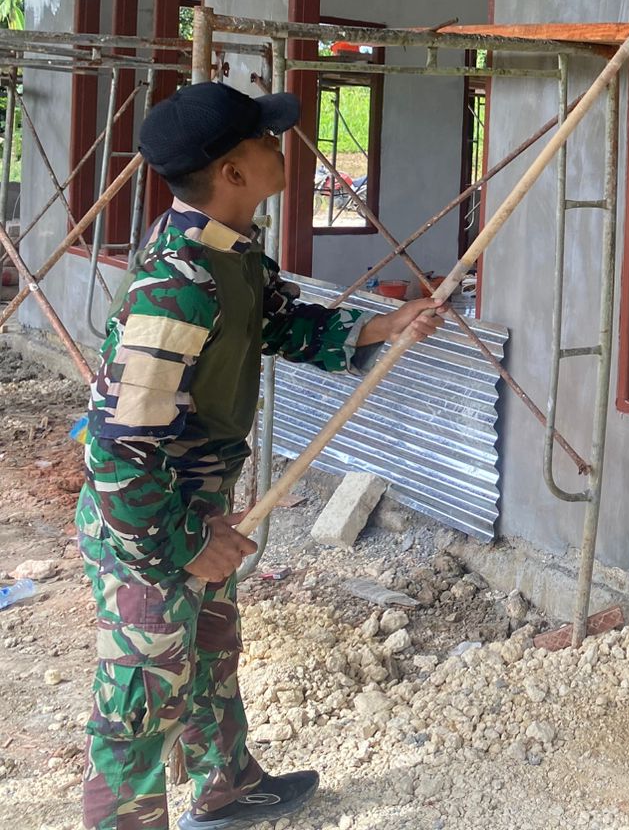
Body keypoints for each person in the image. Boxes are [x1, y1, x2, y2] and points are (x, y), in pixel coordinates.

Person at [75, 82, 443, 830]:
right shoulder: (173, 290)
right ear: (233, 174)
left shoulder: (232, 257)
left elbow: (278, 323)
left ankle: (227, 786)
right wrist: (182, 543)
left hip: (196, 509)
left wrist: (385, 327)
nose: (283, 148)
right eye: (266, 140)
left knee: (212, 654)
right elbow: (117, 452)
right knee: (141, 700)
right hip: (149, 523)